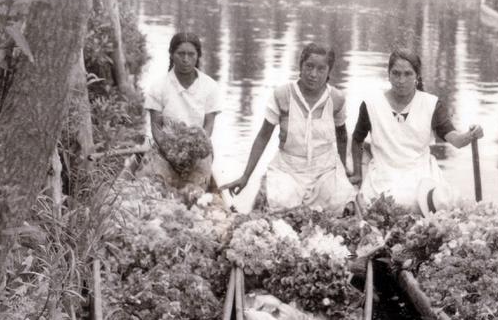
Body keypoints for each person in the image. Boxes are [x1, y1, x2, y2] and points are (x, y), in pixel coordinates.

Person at [221, 43, 354, 213]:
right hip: (288, 168)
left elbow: (342, 136)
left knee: (339, 202)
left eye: (321, 69)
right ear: (300, 65)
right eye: (309, 66)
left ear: (329, 71)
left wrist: (342, 170)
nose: (313, 74)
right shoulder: (283, 95)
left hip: (325, 168)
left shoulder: (336, 99)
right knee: (282, 203)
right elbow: (263, 137)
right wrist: (245, 176)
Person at [350, 49, 483, 212]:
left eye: (408, 74)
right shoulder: (371, 105)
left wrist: (470, 135)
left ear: (417, 77)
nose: (401, 80)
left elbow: (456, 140)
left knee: (424, 201)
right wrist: (358, 173)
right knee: (382, 204)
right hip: (384, 170)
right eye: (396, 73)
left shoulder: (431, 104)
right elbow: (357, 140)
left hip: (420, 170)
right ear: (388, 75)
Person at [139, 32, 224, 191]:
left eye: (191, 54)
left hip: (198, 150)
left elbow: (209, 126)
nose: (186, 59)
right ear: (172, 55)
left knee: (194, 192)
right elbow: (156, 128)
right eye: (181, 54)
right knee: (155, 189)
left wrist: (194, 151)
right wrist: (171, 151)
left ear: (198, 56)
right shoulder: (159, 87)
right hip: (165, 148)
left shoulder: (210, 86)